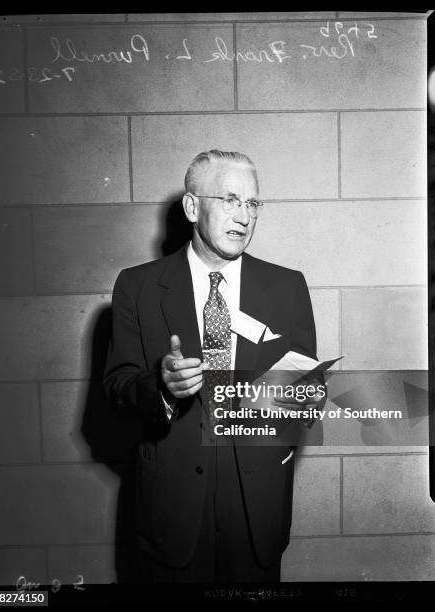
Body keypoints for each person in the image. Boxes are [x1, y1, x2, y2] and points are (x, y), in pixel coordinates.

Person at [103, 150, 319, 582]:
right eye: (230, 199)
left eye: (252, 203)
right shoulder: (137, 286)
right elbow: (116, 386)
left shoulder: (287, 286)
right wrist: (161, 388)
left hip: (256, 505)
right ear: (191, 206)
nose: (244, 216)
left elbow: (305, 395)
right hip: (173, 508)